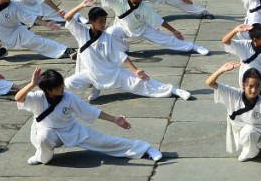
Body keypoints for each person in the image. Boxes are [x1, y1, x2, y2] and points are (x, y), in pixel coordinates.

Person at [15, 67, 162, 165]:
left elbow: (89, 111)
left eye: (62, 85)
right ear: (48, 90)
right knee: (43, 136)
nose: (62, 88)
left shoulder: (69, 97)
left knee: (106, 141)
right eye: (58, 87)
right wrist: (32, 83)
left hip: (71, 130)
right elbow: (18, 98)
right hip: (47, 132)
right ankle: (41, 157)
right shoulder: (38, 97)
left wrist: (115, 119)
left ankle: (145, 149)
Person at [61, 1, 192, 101]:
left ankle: (174, 90)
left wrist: (135, 70)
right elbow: (67, 17)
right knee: (69, 82)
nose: (103, 24)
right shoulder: (81, 32)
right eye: (100, 21)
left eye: (105, 21)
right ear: (92, 21)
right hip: (90, 74)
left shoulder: (107, 37)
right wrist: (81, 5)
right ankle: (96, 86)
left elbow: (121, 56)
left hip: (110, 73)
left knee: (140, 83)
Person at [90, 0, 208, 55]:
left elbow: (159, 21)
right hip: (123, 28)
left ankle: (193, 47)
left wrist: (174, 31)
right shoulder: (119, 1)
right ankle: (123, 49)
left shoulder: (145, 7)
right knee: (110, 33)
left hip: (142, 28)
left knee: (165, 40)